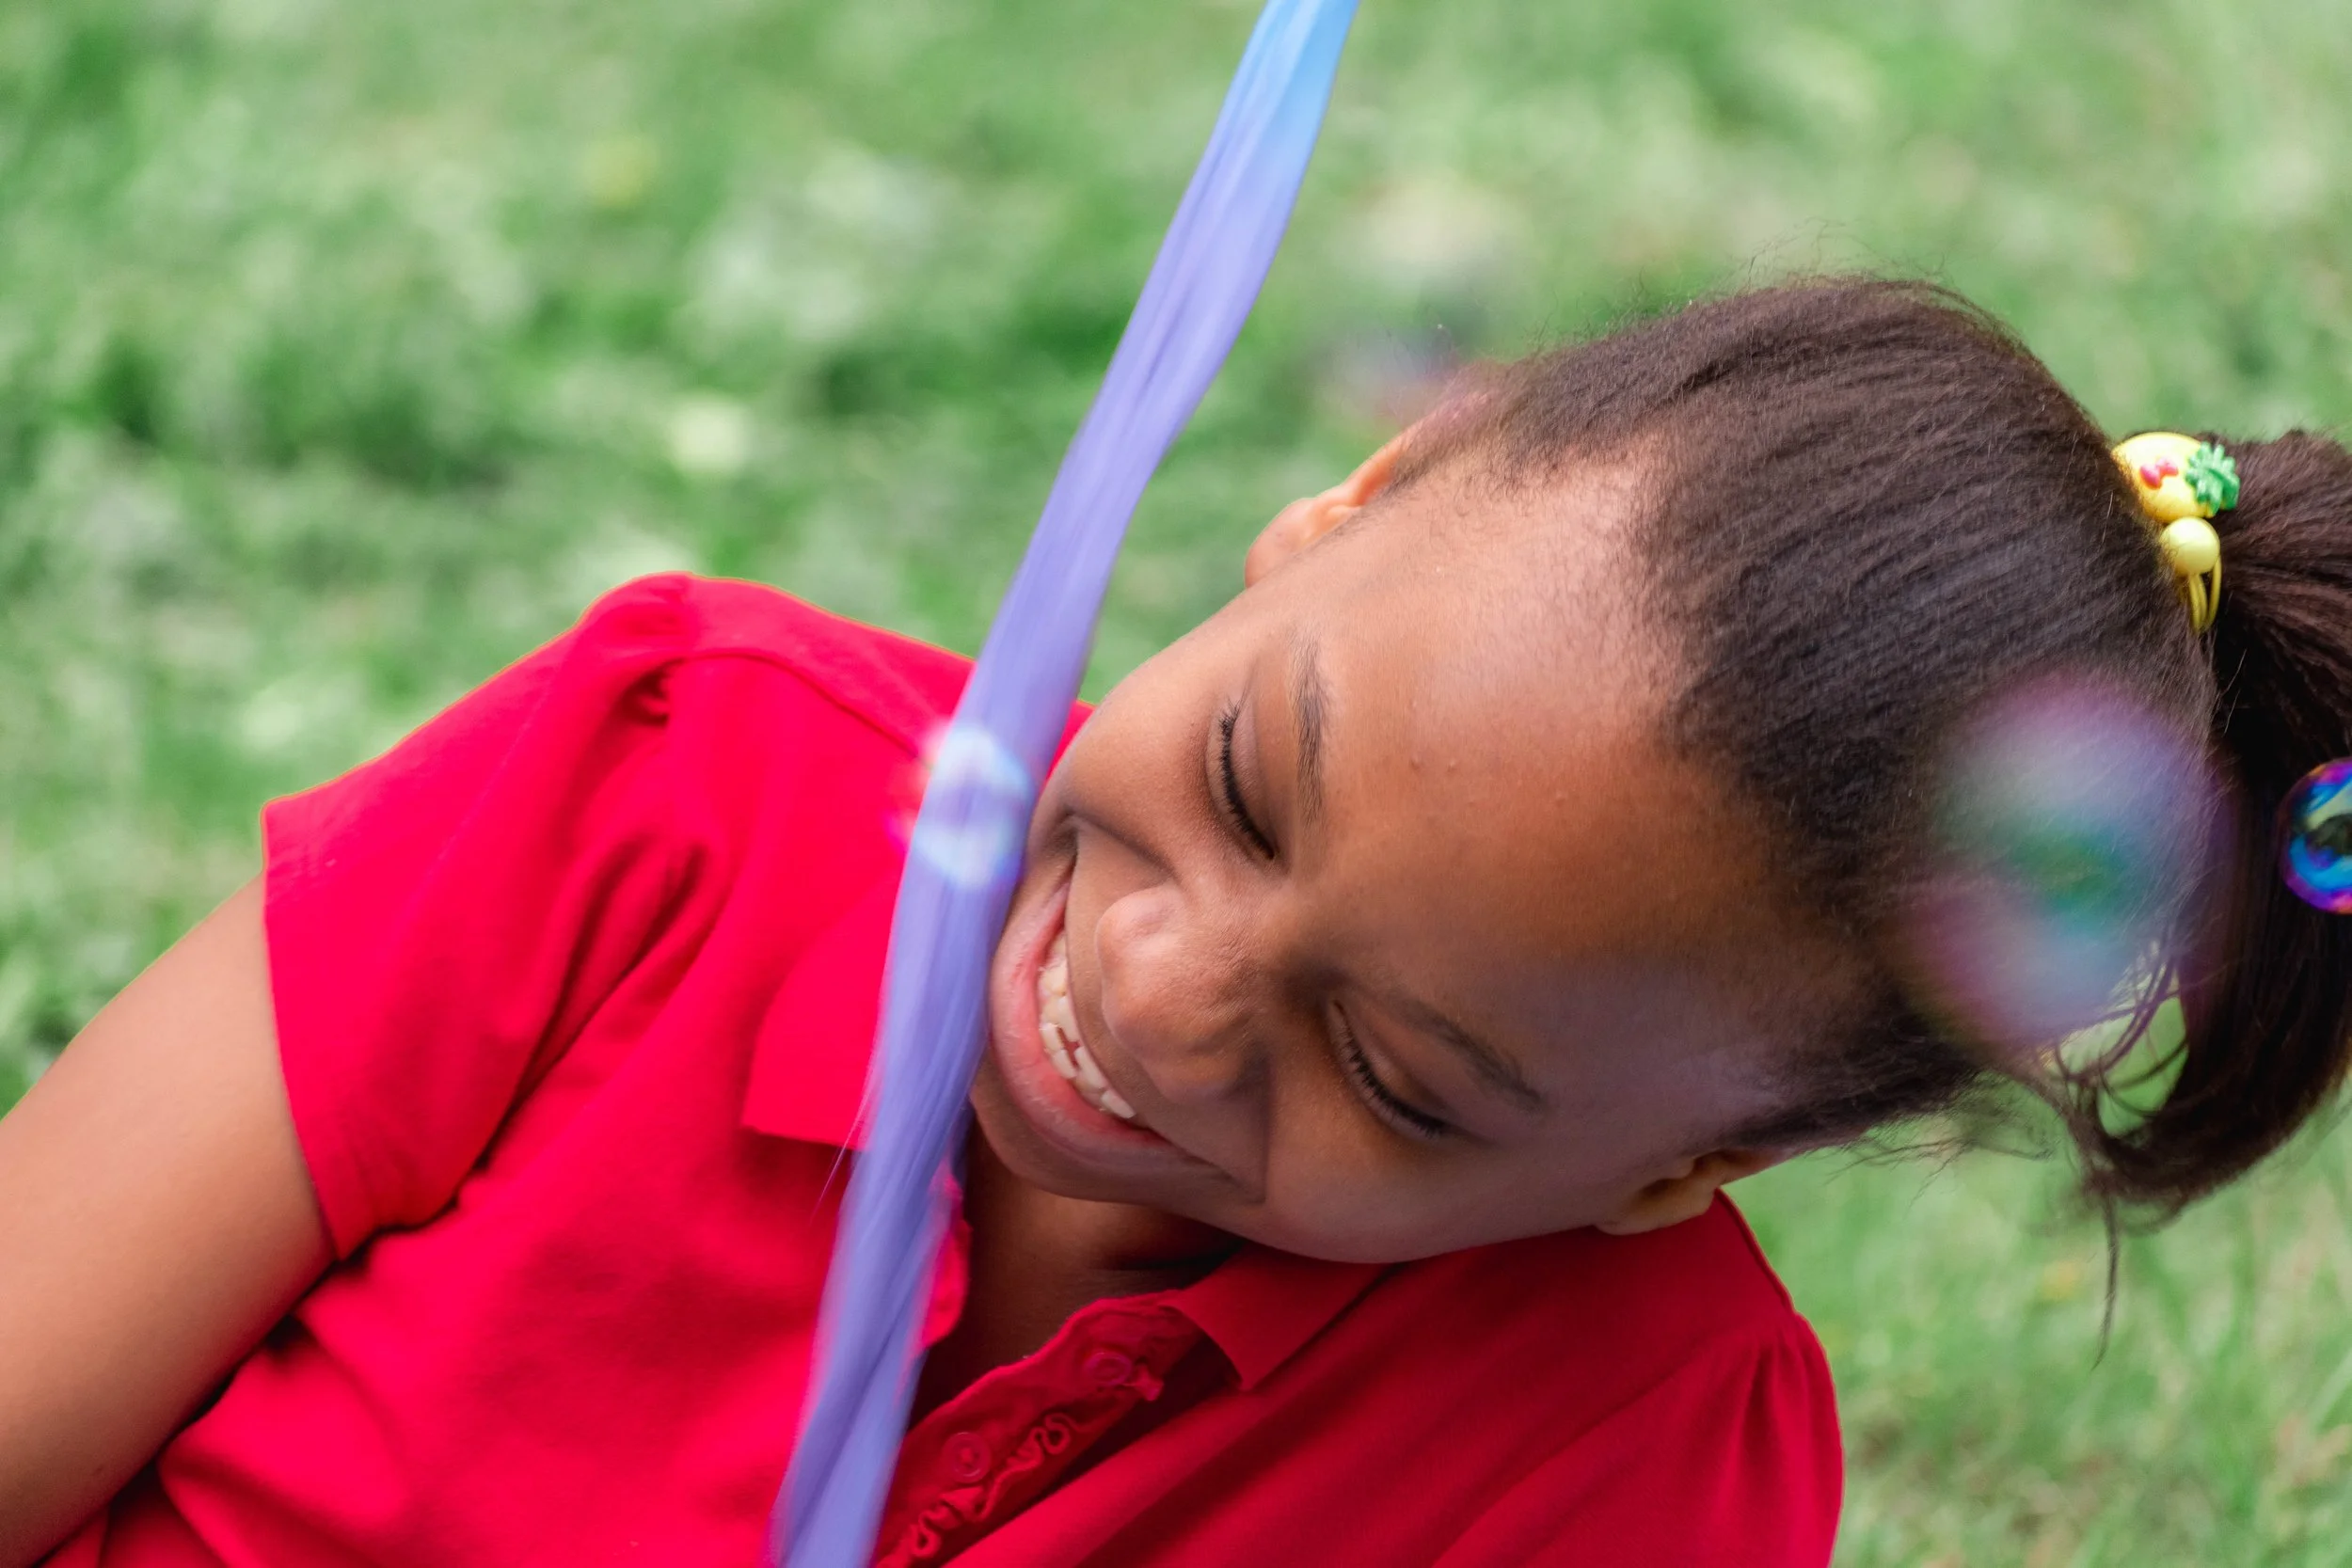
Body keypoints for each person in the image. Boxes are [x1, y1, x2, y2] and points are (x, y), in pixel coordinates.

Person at [3, 278, 2347, 1567]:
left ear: (1678, 1169)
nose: (1152, 981)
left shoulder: (1634, 1459)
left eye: (1403, 1077)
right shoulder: (666, 787)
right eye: (1241, 777)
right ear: (1348, 504)